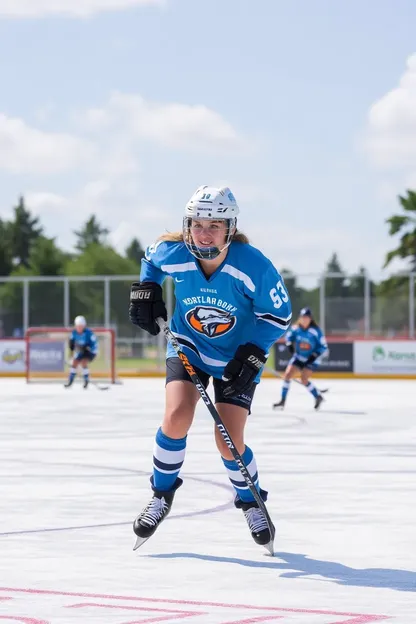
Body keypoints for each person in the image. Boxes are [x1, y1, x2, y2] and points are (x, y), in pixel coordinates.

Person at [128, 185, 292, 551]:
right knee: (176, 415)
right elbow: (151, 260)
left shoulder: (253, 266)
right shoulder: (173, 252)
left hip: (237, 356)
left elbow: (279, 315)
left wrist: (253, 352)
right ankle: (161, 495)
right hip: (189, 344)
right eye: (197, 224)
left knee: (228, 440)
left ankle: (251, 500)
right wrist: (147, 288)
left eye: (213, 226)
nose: (203, 233)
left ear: (229, 229)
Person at [273, 306, 328, 410]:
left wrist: (313, 356)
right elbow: (288, 337)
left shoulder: (316, 331)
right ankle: (282, 401)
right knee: (287, 375)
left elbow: (323, 346)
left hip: (312, 359)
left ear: (310, 318)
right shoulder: (295, 328)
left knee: (304, 379)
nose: (304, 319)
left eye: (306, 317)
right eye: (302, 317)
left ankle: (317, 396)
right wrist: (289, 344)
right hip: (298, 357)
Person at [64, 316, 98, 389]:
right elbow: (71, 344)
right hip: (81, 351)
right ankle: (70, 380)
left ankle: (86, 380)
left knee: (83, 362)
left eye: (81, 326)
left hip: (90, 352)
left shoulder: (89, 333)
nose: (79, 328)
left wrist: (89, 348)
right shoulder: (74, 333)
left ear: (84, 326)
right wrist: (71, 348)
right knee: (74, 362)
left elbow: (94, 344)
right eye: (78, 326)